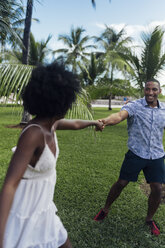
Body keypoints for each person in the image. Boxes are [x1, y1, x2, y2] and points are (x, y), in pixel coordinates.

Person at [0, 62, 104, 248]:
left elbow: (73, 124)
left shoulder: (51, 124)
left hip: (44, 209)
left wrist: (93, 122)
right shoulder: (34, 133)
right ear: (62, 100)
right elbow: (9, 184)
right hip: (24, 212)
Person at [94, 79, 165, 236]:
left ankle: (149, 219)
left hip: (157, 155)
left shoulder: (164, 109)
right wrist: (105, 121)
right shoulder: (135, 106)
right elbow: (119, 116)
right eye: (147, 89)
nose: (150, 92)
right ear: (144, 90)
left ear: (159, 91)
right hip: (136, 153)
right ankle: (105, 210)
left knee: (157, 189)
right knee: (121, 183)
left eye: (154, 89)